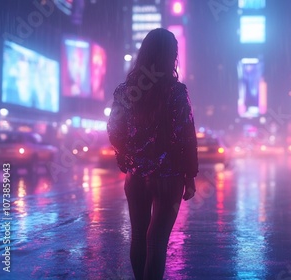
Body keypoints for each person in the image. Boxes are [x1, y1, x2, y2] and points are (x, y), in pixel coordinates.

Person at [107, 28, 198, 279]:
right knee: (156, 242)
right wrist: (189, 175)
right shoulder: (177, 92)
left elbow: (114, 129)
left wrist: (126, 158)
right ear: (172, 55)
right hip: (169, 177)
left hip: (136, 175)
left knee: (138, 236)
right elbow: (185, 135)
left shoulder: (125, 91)